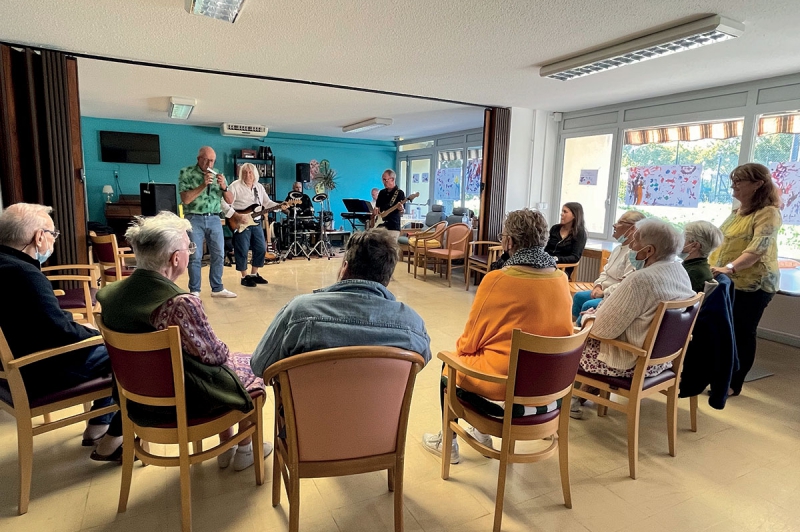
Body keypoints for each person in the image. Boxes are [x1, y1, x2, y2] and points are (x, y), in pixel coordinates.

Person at [95, 212, 271, 470]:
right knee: (251, 365)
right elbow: (214, 356)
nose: (191, 251)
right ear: (176, 258)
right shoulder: (180, 303)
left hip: (134, 398)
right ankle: (244, 450)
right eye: (189, 247)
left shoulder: (109, 294)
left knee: (223, 365)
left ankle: (230, 445)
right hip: (183, 399)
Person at [422, 209, 574, 464]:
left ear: (510, 242)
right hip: (550, 391)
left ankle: (447, 443)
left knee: (450, 365)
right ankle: (480, 432)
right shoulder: (561, 278)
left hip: (504, 393)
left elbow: (469, 342)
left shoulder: (498, 279)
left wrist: (461, 352)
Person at [0, 203, 120, 458]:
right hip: (37, 371)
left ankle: (99, 424)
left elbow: (40, 320)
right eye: (53, 234)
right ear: (38, 237)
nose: (53, 240)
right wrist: (96, 335)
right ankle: (109, 435)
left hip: (9, 371)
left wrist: (76, 328)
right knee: (125, 355)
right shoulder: (24, 274)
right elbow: (60, 332)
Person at [250, 229, 431, 376]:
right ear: (388, 278)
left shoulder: (299, 312)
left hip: (308, 419)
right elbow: (422, 361)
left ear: (345, 268)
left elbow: (259, 365)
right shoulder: (412, 324)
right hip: (380, 420)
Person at [572, 218, 695, 419]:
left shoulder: (640, 280)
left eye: (635, 241)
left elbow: (603, 331)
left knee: (573, 341)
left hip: (631, 363)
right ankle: (582, 394)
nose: (630, 246)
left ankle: (570, 401)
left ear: (649, 251)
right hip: (662, 361)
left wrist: (588, 319)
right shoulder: (679, 270)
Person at [709, 163, 782, 397]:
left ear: (758, 184)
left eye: (740, 181)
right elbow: (722, 242)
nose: (734, 185)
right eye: (733, 180)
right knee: (721, 331)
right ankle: (716, 375)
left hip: (754, 284)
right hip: (727, 282)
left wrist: (728, 268)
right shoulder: (736, 212)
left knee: (742, 332)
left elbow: (757, 249)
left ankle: (733, 383)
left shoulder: (768, 212)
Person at [178, 146, 236, 298]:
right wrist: (203, 185)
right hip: (193, 218)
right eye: (207, 160)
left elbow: (230, 200)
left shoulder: (218, 174)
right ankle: (195, 290)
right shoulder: (187, 172)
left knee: (219, 254)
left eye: (213, 161)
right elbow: (186, 199)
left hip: (215, 218)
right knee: (195, 255)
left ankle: (217, 288)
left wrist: (224, 186)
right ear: (199, 159)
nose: (210, 164)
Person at [571, 211, 645, 322]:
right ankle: (572, 329)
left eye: (620, 222)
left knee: (588, 304)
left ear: (633, 229)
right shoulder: (617, 248)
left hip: (614, 296)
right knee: (578, 297)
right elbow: (605, 271)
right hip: (603, 291)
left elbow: (625, 284)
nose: (614, 225)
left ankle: (580, 336)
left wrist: (603, 293)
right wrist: (598, 285)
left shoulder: (635, 254)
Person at [222, 162, 287, 287]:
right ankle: (244, 276)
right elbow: (224, 204)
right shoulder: (234, 186)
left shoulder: (259, 187)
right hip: (240, 222)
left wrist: (280, 206)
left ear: (255, 174)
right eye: (245, 172)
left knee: (261, 248)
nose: (247, 174)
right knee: (242, 249)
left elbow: (267, 203)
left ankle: (254, 274)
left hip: (256, 222)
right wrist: (236, 215)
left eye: (250, 172)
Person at [544, 202, 587, 278]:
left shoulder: (580, 233)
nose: (561, 214)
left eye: (565, 212)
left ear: (574, 215)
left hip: (563, 269)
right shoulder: (555, 228)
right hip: (547, 265)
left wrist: (556, 259)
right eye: (562, 211)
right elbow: (546, 249)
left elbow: (575, 257)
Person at [680, 220, 723, 292]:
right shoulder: (701, 266)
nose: (678, 242)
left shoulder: (693, 273)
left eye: (682, 239)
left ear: (694, 246)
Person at [373, 169, 405, 239]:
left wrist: (401, 210)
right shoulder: (381, 193)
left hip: (393, 226)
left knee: (391, 249)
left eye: (385, 180)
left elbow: (402, 213)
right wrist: (375, 209)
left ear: (392, 179)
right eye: (383, 180)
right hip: (380, 225)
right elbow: (377, 207)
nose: (384, 182)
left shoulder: (400, 193)